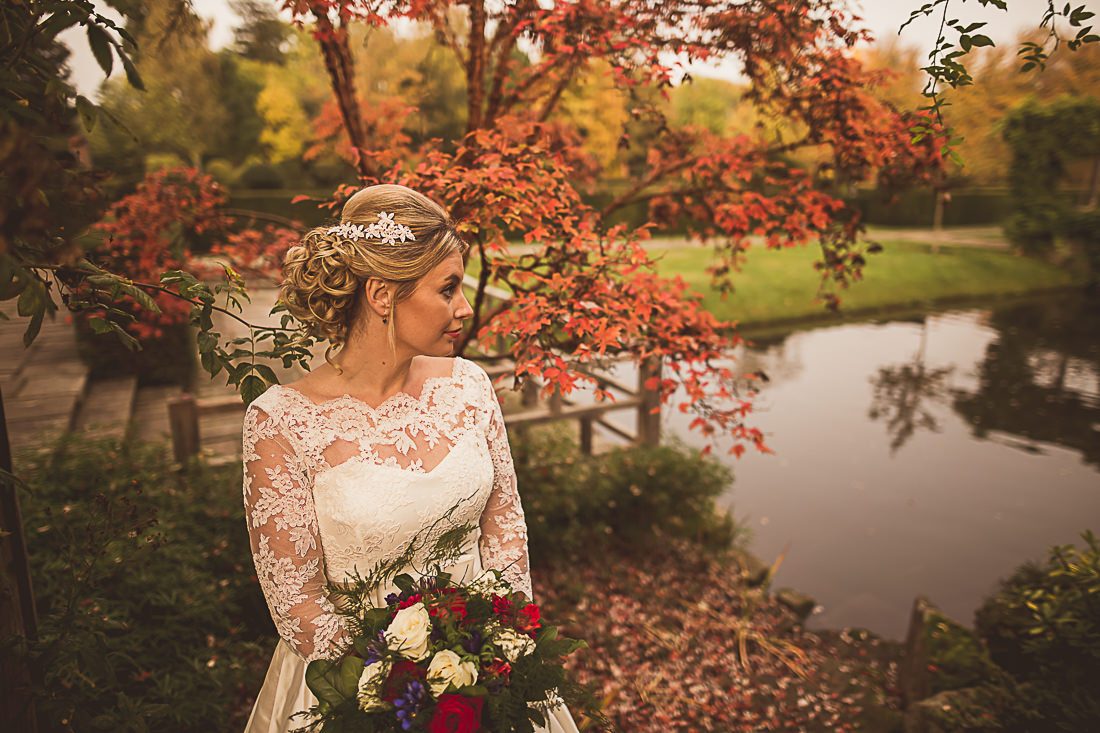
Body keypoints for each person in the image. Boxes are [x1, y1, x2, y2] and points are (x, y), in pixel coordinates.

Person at [241, 184, 580, 732]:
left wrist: (497, 654)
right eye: (448, 288)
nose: (465, 307)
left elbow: (505, 524)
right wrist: (395, 694)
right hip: (359, 694)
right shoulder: (281, 424)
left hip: (487, 670)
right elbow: (298, 602)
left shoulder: (468, 385)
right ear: (381, 295)